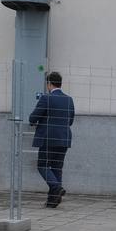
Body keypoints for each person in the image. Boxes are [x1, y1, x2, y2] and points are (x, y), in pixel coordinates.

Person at [29, 71, 75, 208]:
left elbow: (33, 117)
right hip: (64, 138)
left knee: (42, 165)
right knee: (57, 168)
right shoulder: (69, 99)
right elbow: (70, 120)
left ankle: (56, 187)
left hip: (48, 138)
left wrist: (37, 121)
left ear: (49, 84)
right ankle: (53, 200)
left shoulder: (46, 98)